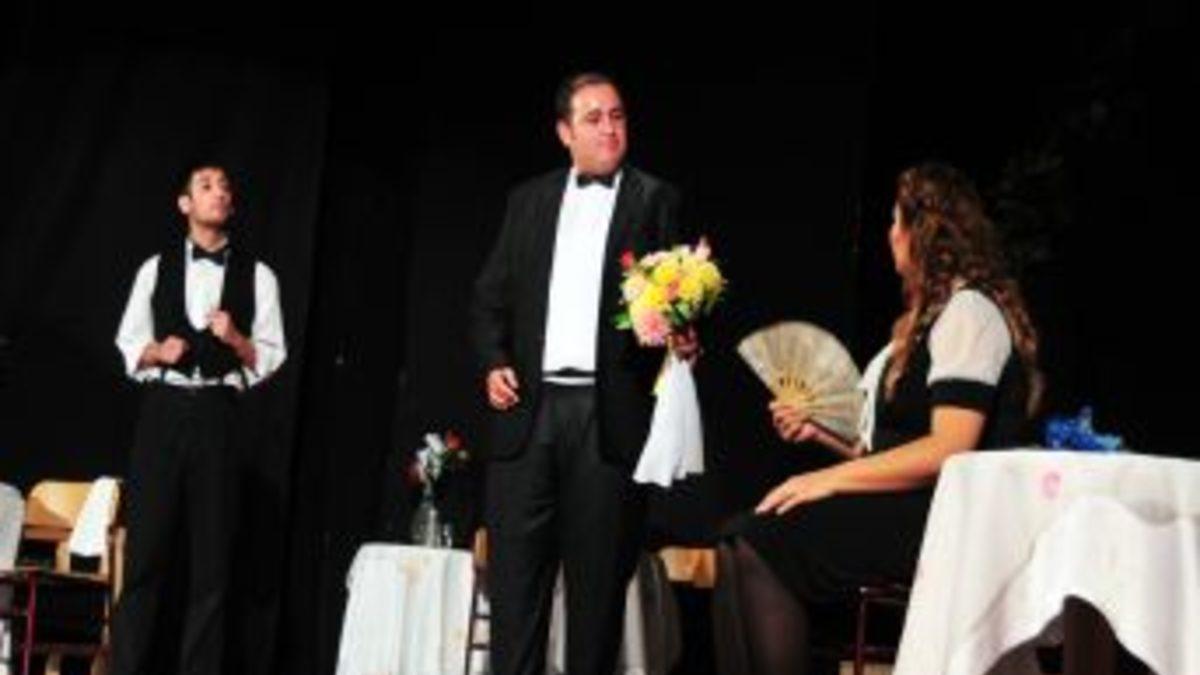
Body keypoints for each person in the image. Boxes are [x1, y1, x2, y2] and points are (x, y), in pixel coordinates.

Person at [715, 162, 1041, 674]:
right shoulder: (920, 326)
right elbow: (891, 454)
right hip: (912, 504)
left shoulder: (970, 313)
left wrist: (824, 480)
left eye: (895, 221)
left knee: (763, 543)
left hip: (948, 518)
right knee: (738, 537)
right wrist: (821, 435)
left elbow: (949, 448)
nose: (889, 235)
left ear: (922, 233)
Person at [469, 72, 696, 675]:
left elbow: (681, 297)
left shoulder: (655, 198)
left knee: (596, 599)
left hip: (607, 417)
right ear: (564, 132)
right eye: (593, 119)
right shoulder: (528, 200)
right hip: (529, 414)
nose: (609, 129)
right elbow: (489, 299)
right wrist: (494, 362)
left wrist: (683, 331)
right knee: (515, 590)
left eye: (617, 116)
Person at [112, 164, 286, 675]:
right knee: (144, 559)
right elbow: (129, 344)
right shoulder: (155, 268)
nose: (219, 193)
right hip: (163, 412)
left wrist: (235, 339)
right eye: (206, 186)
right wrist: (156, 351)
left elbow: (271, 356)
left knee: (212, 568)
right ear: (185, 204)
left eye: (225, 186)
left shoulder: (259, 275)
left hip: (218, 415)